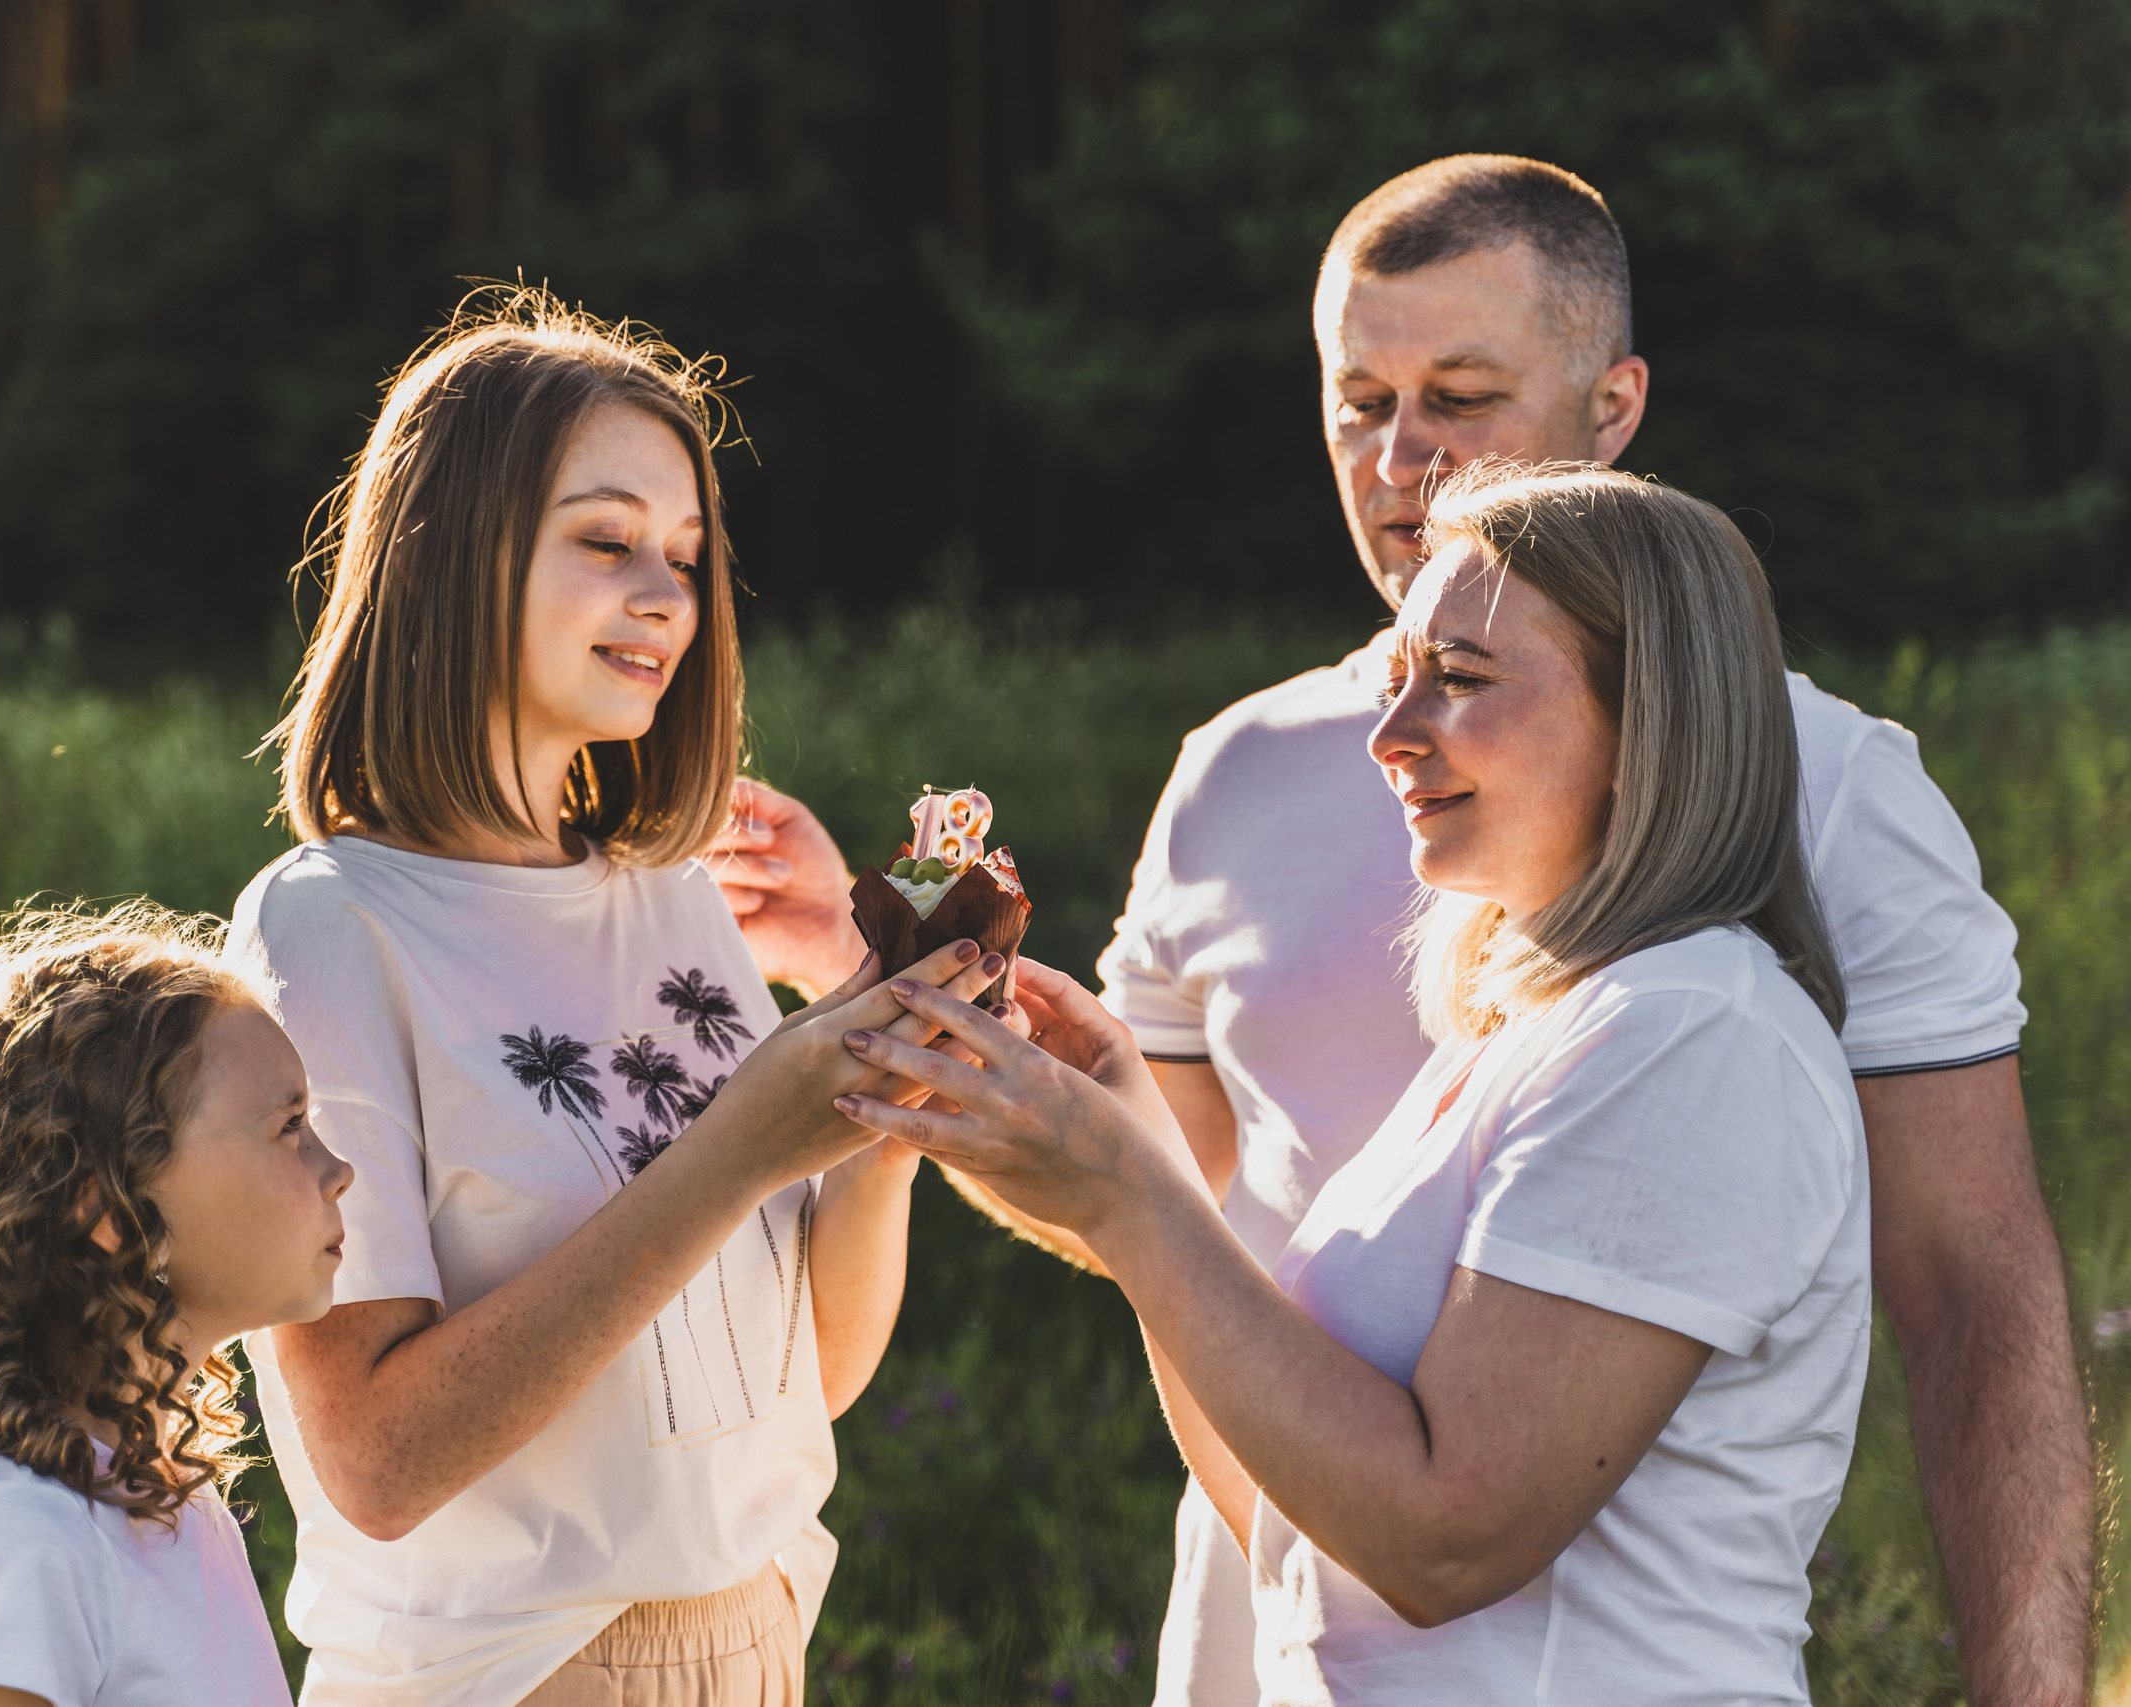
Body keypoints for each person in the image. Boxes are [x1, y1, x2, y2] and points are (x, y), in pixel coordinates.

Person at [712, 157, 2091, 1706]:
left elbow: (1971, 1280)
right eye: (1361, 402)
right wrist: (887, 985)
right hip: (1285, 1598)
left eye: (1463, 395)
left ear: (1615, 406)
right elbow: (1190, 1222)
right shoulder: (1283, 806)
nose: (1402, 455)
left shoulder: (1797, 841)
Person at [840, 463, 1872, 1702]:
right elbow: (1296, 1526)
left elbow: (1444, 1544)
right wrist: (1131, 1145)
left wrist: (1124, 1194)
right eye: (1398, 681)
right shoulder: (1521, 1036)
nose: (1389, 739)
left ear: (1650, 715)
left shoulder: (1691, 1032)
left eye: (1462, 679)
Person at [228, 290, 1000, 1707]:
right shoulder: (331, 925)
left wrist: (883, 1109)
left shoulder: (676, 894)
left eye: (687, 557)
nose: (667, 596)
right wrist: (740, 1147)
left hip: (757, 1639)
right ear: (448, 555)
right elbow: (376, 1463)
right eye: (606, 540)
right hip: (508, 1674)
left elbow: (803, 1374)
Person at [0, 901, 355, 1707]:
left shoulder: (168, 1508)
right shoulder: (16, 1541)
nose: (338, 1169)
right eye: (290, 1125)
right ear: (113, 1212)